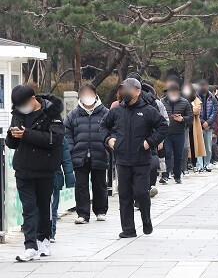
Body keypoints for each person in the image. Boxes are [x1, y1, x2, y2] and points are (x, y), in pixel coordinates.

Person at [101, 78, 168, 238]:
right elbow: (103, 126)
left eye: (128, 89)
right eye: (122, 89)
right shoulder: (117, 110)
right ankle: (128, 229)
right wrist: (109, 140)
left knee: (140, 192)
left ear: (137, 91)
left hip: (141, 160)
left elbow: (163, 127)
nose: (124, 92)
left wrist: (149, 142)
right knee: (124, 195)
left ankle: (146, 220)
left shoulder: (147, 110)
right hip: (122, 159)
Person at [6, 85, 64, 261]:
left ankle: (44, 239)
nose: (21, 108)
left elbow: (53, 139)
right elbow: (12, 144)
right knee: (29, 208)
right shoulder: (18, 114)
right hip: (23, 168)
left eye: (23, 104)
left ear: (33, 98)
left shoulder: (51, 113)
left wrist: (26, 134)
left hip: (45, 169)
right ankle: (30, 245)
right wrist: (12, 135)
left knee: (43, 207)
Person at [65, 84, 110, 224]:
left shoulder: (105, 113)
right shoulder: (73, 114)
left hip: (100, 153)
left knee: (100, 184)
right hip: (80, 154)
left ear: (95, 94)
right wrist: (72, 148)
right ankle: (83, 214)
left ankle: (101, 210)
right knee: (81, 185)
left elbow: (113, 130)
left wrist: (107, 147)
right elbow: (67, 133)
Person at [160, 83, 193, 184]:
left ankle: (177, 175)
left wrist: (182, 118)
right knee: (167, 154)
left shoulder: (185, 102)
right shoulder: (162, 102)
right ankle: (165, 175)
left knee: (179, 155)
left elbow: (191, 117)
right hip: (166, 133)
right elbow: (158, 116)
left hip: (179, 132)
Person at [51, 137, 75, 242]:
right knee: (52, 207)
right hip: (55, 176)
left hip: (54, 177)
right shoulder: (61, 137)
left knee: (52, 206)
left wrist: (70, 179)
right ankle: (50, 233)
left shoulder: (60, 138)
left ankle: (50, 232)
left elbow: (66, 160)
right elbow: (66, 161)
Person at [197, 79, 218, 172]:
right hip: (198, 125)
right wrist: (202, 122)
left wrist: (208, 122)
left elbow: (215, 111)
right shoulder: (195, 97)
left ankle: (207, 163)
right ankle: (199, 164)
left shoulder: (212, 97)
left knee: (208, 146)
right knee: (199, 146)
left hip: (209, 125)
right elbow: (194, 111)